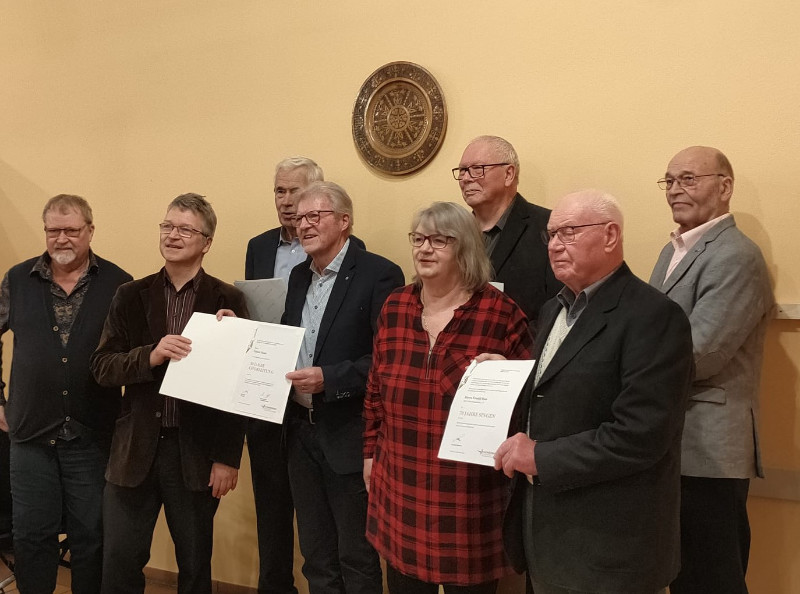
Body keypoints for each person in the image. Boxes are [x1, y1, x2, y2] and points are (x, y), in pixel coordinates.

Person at [494, 189, 694, 594]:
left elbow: (641, 435)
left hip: (611, 547)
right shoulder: (555, 309)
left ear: (610, 236)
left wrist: (540, 455)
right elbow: (557, 392)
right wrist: (505, 377)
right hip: (548, 534)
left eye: (568, 232)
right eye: (550, 235)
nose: (553, 245)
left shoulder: (653, 315)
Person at [363, 201, 533, 594]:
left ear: (466, 248)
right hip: (400, 481)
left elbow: (532, 399)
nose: (425, 249)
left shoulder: (500, 313)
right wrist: (370, 452)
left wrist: (508, 377)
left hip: (467, 495)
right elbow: (375, 389)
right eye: (419, 239)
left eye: (439, 241)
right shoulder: (396, 306)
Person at [90, 194, 248, 594]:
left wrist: (227, 458)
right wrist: (151, 355)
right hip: (133, 452)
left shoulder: (228, 300)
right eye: (167, 226)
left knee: (195, 567)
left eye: (185, 229)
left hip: (194, 455)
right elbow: (103, 367)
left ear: (206, 241)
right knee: (120, 562)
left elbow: (238, 390)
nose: (173, 236)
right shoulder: (130, 294)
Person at [649, 146, 773, 594]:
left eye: (688, 179)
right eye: (670, 180)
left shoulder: (737, 255)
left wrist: (626, 369)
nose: (676, 190)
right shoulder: (672, 251)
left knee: (711, 578)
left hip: (710, 448)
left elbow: (702, 352)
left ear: (725, 187)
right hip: (674, 439)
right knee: (682, 576)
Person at [0, 194, 131, 593]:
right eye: (53, 230)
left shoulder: (119, 283)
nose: (61, 239)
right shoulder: (17, 279)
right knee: (30, 537)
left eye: (71, 230)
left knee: (91, 539)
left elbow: (137, 352)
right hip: (30, 435)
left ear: (90, 231)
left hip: (93, 435)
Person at [282, 181, 404, 594]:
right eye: (299, 218)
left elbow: (387, 361)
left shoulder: (379, 273)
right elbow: (285, 341)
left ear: (345, 221)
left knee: (357, 556)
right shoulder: (299, 277)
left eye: (315, 216)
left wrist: (329, 379)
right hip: (300, 430)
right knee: (315, 555)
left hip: (349, 433)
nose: (304, 225)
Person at [243, 156, 325, 594]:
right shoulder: (259, 246)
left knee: (318, 518)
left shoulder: (351, 247)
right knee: (269, 509)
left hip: (315, 397)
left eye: (296, 191)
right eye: (280, 191)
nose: (287, 201)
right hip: (265, 398)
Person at [454, 135, 558, 325]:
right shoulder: (451, 234)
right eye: (462, 171)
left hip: (523, 350)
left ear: (508, 174)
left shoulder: (549, 228)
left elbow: (562, 311)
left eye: (477, 169)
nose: (466, 178)